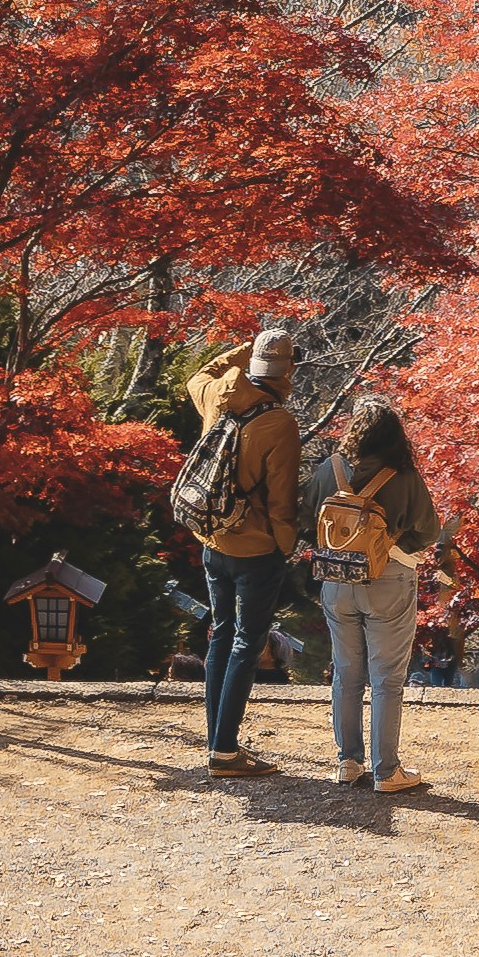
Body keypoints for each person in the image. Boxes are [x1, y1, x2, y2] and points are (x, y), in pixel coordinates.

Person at [181, 318, 304, 773]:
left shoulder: (216, 396)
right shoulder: (279, 424)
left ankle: (219, 743)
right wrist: (285, 548)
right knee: (247, 642)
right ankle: (225, 751)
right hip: (255, 550)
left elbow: (197, 374)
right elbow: (282, 502)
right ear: (287, 373)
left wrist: (244, 348)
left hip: (213, 539)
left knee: (220, 633)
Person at [315, 403, 444, 796]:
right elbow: (429, 531)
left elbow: (306, 516)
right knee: (387, 678)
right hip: (389, 579)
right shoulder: (403, 476)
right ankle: (387, 771)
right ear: (395, 435)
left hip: (336, 580)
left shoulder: (329, 469)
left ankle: (348, 762)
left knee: (346, 672)